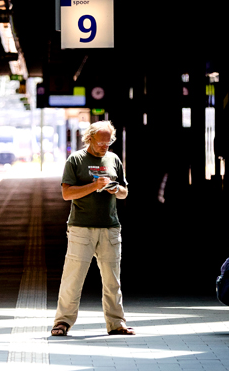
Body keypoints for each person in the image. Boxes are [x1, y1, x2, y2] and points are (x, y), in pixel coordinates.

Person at [51, 120, 134, 336]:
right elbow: (67, 194)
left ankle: (116, 323)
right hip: (81, 228)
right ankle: (62, 322)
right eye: (101, 143)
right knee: (73, 278)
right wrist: (93, 186)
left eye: (109, 142)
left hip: (110, 227)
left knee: (112, 280)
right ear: (89, 139)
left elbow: (125, 192)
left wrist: (115, 189)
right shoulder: (76, 160)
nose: (105, 147)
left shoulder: (113, 159)